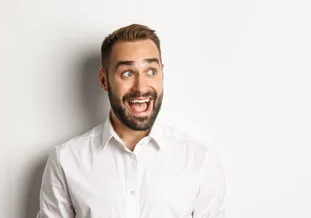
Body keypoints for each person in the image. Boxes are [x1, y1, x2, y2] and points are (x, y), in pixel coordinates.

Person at [36, 23, 226, 218]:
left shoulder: (201, 162)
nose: (141, 87)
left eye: (151, 71)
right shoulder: (65, 160)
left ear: (162, 74)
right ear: (104, 81)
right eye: (127, 73)